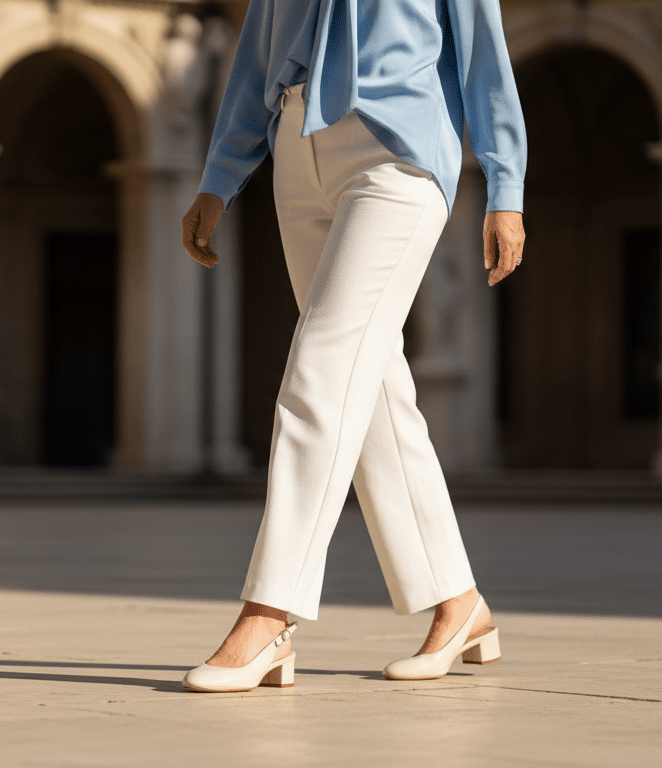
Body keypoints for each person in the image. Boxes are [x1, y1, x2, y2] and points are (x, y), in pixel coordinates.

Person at [179, 0, 527, 692]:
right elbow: (256, 57)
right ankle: (459, 603)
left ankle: (269, 611)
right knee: (371, 390)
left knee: (321, 369)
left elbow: (485, 56)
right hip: (297, 153)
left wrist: (505, 184)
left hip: (396, 156)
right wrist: (221, 176)